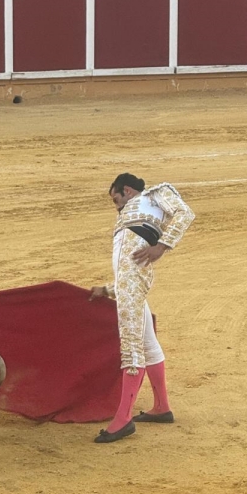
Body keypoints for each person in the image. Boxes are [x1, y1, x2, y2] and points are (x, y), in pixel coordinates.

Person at [90, 174, 195, 444]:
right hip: (130, 282)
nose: (117, 207)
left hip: (133, 281)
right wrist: (108, 289)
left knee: (132, 347)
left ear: (127, 190)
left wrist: (162, 246)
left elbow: (185, 213)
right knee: (147, 344)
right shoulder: (130, 217)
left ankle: (123, 419)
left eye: (116, 199)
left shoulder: (155, 194)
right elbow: (128, 271)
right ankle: (161, 407)